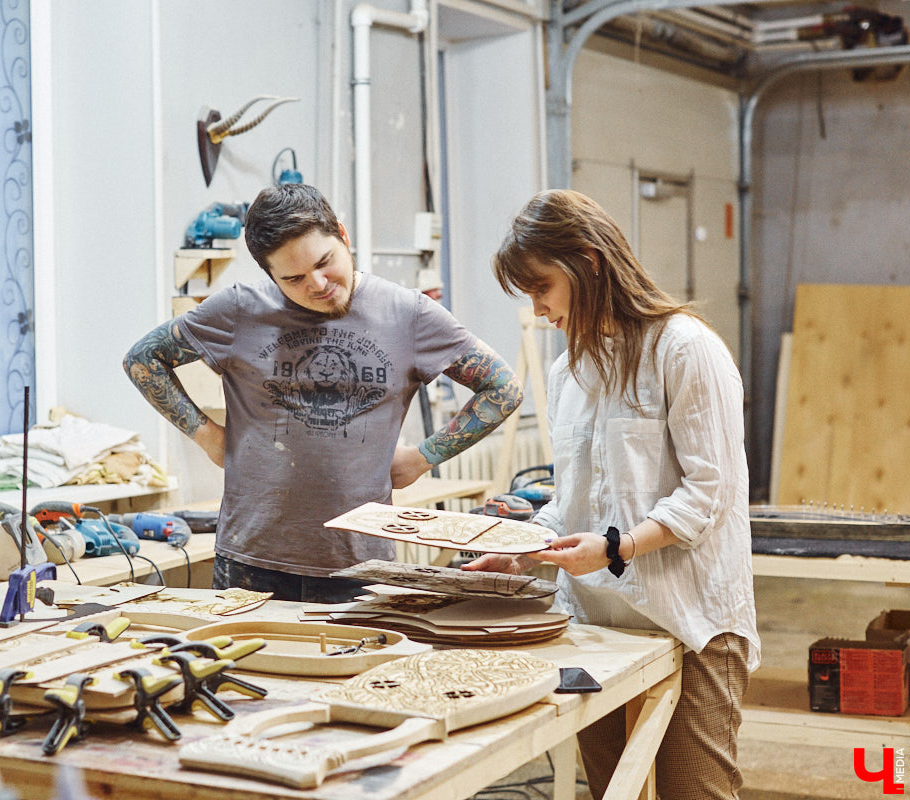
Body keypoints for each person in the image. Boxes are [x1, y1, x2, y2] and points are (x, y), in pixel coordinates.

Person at [465, 189, 759, 800]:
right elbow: (571, 502)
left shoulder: (683, 348)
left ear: (589, 262)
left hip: (691, 623)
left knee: (693, 794)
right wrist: (521, 550)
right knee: (613, 792)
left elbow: (709, 495)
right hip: (597, 630)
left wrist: (615, 547)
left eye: (543, 287)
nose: (539, 308)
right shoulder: (568, 369)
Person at [124, 183, 523, 603]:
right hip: (250, 560)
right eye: (293, 278)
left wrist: (425, 457)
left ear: (343, 236)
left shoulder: (407, 314)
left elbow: (503, 386)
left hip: (359, 563)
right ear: (269, 275)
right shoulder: (239, 310)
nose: (317, 284)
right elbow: (142, 359)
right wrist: (206, 435)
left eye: (325, 262)